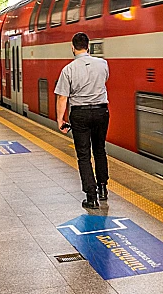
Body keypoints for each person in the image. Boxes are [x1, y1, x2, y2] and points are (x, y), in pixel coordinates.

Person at [55, 32, 110, 209]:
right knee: (99, 149)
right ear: (88, 46)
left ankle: (91, 197)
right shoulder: (103, 64)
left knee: (84, 155)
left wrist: (60, 119)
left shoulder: (68, 70)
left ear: (72, 47)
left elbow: (62, 98)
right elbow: (104, 81)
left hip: (80, 114)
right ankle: (103, 188)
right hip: (101, 111)